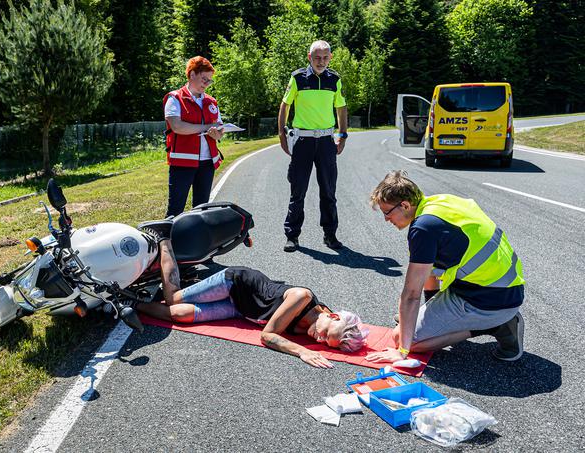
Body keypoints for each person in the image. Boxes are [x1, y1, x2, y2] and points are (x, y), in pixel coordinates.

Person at [135, 221, 367, 369]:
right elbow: (268, 336)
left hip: (241, 309)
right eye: (325, 333)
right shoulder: (301, 297)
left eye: (326, 342)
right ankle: (163, 235)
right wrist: (302, 351)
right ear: (332, 315)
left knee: (179, 314)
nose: (319, 339)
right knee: (174, 298)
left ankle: (129, 303)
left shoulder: (317, 326)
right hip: (235, 284)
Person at [365, 170, 525, 365]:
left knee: (402, 337)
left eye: (387, 212)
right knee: (411, 316)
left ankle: (497, 326)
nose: (386, 219)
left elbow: (411, 294)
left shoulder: (423, 229)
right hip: (506, 290)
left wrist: (402, 351)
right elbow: (429, 269)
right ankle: (488, 320)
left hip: (487, 302)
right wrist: (429, 311)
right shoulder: (439, 203)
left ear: (405, 205)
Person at [278, 40, 349, 253]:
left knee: (329, 191)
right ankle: (292, 236)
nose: (321, 61)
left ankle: (330, 235)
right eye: (317, 57)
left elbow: (341, 107)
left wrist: (343, 135)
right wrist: (282, 133)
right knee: (298, 190)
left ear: (330, 57)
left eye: (325, 57)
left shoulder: (334, 79)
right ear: (310, 57)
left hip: (326, 142)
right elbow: (285, 105)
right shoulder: (298, 77)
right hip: (303, 142)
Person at [163, 56, 225, 218]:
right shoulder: (175, 98)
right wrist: (206, 127)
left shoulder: (212, 102)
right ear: (191, 75)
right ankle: (168, 242)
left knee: (202, 209)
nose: (207, 83)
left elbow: (219, 131)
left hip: (207, 163)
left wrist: (217, 133)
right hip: (182, 162)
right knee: (175, 210)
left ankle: (197, 242)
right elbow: (177, 127)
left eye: (209, 81)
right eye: (204, 79)